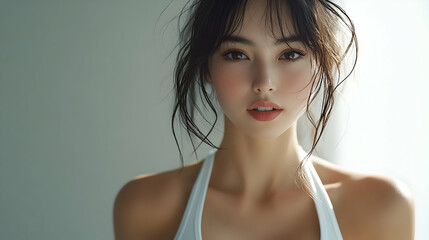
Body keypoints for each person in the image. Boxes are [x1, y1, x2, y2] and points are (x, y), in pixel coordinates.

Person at [113, 0, 415, 239]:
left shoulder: (382, 207)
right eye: (236, 54)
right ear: (206, 66)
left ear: (322, 62)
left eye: (290, 54)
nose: (264, 82)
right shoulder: (144, 207)